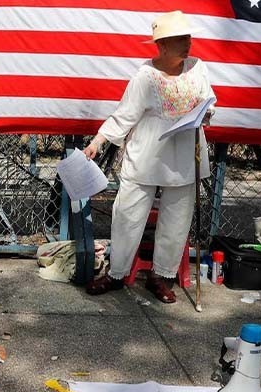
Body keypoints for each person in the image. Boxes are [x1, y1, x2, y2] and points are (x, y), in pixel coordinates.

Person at [84, 11, 215, 303]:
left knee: (177, 219)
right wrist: (98, 141)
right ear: (162, 45)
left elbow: (208, 100)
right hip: (147, 153)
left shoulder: (197, 68)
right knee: (128, 213)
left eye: (188, 37)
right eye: (179, 39)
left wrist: (205, 113)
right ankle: (116, 273)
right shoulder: (145, 76)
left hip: (185, 152)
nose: (187, 43)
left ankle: (161, 275)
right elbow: (125, 115)